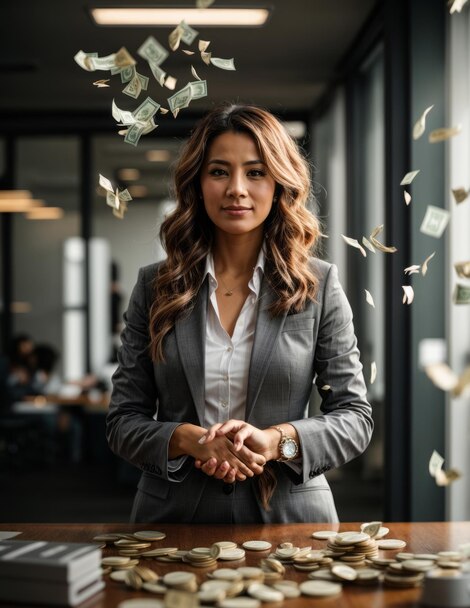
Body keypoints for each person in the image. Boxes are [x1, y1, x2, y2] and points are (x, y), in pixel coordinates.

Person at [106, 103, 373, 524]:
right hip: (173, 519)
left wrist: (275, 441)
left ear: (279, 183)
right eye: (218, 172)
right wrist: (187, 440)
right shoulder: (154, 287)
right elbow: (122, 421)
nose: (236, 189)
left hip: (292, 519)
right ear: (197, 183)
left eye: (255, 171)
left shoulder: (318, 285)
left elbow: (355, 418)